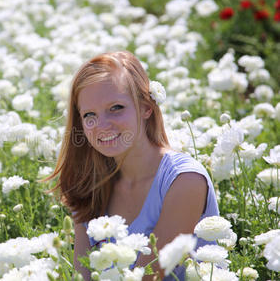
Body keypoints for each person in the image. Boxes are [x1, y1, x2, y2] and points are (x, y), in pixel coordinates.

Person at [44, 51, 219, 280]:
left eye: (116, 107)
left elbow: (148, 277)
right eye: (89, 114)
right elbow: (83, 276)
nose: (102, 125)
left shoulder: (184, 181)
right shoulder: (89, 184)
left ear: (146, 107)